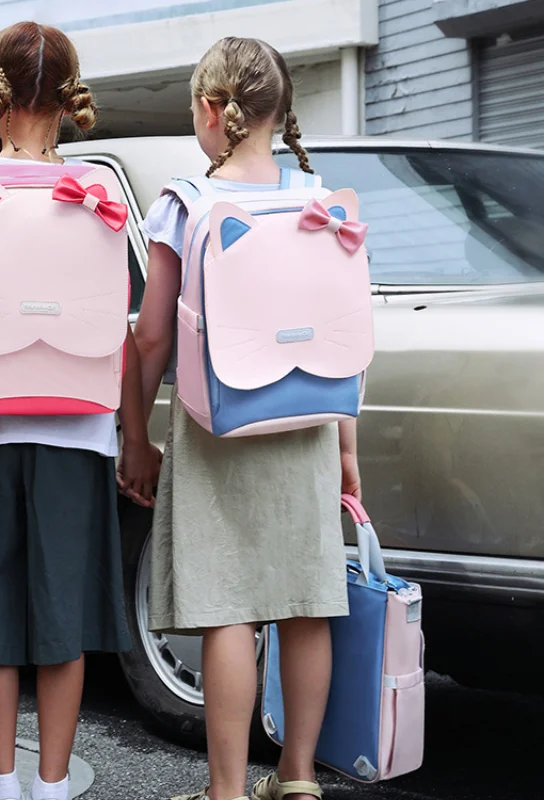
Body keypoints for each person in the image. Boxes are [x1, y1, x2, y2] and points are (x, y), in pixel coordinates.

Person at [0, 21, 157, 800]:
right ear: (68, 95)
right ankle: (53, 786)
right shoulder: (100, 192)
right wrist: (133, 435)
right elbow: (115, 326)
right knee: (61, 621)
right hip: (78, 427)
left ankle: (1, 785)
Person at [127, 37, 362, 800]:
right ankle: (296, 779)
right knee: (305, 603)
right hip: (309, 426)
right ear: (279, 112)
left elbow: (152, 337)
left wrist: (136, 438)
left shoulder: (185, 204)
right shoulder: (319, 201)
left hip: (215, 425)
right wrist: (348, 452)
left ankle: (225, 791)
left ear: (210, 109)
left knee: (228, 608)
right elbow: (345, 338)